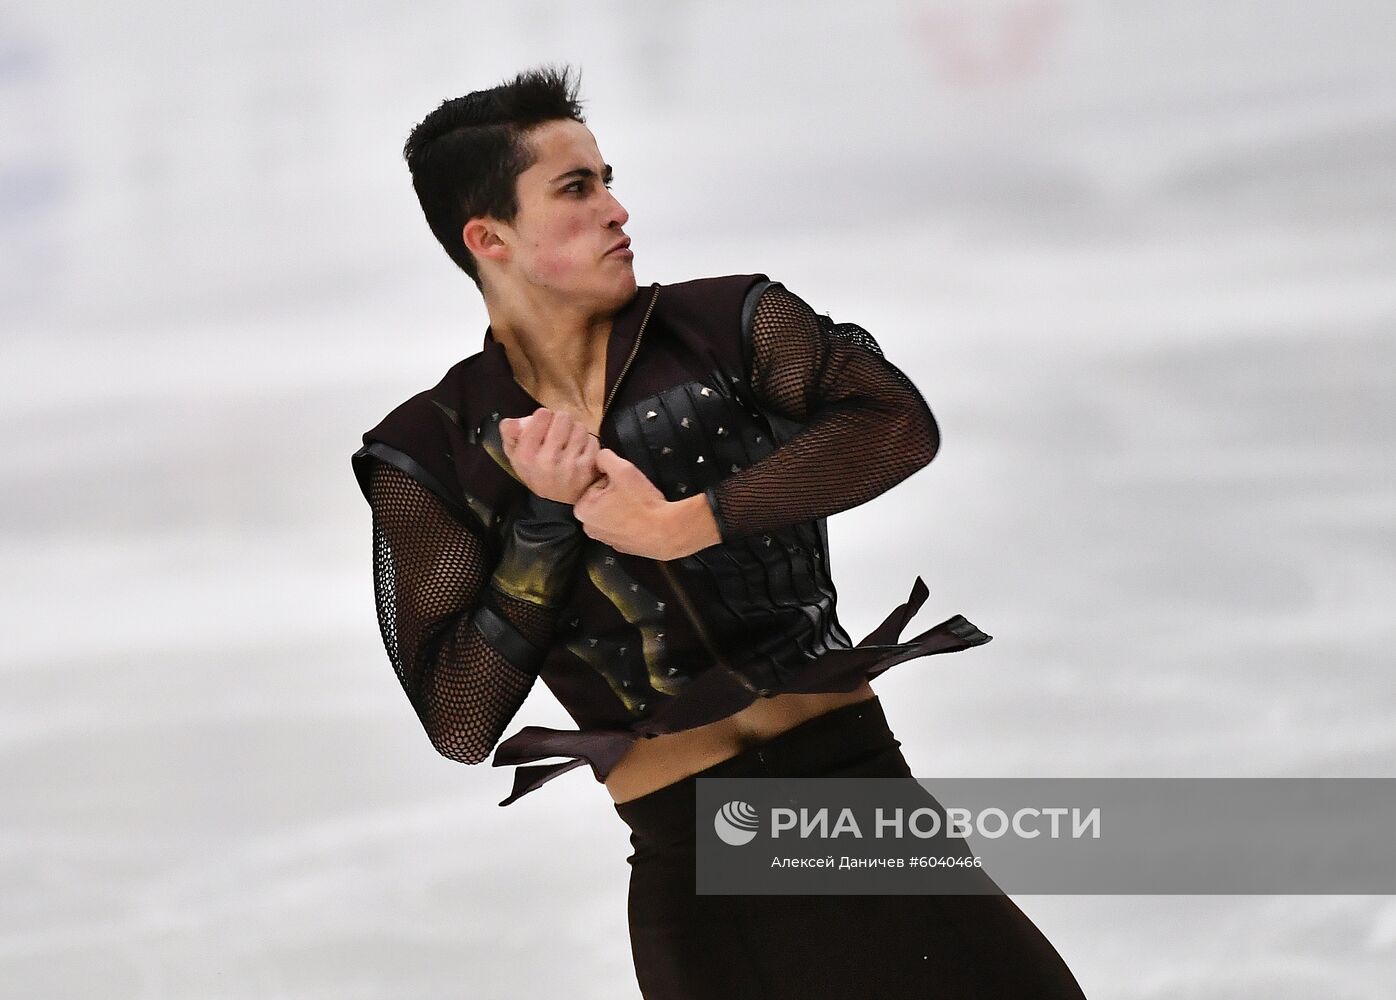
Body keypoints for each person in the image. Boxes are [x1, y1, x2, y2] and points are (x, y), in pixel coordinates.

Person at [351, 64, 1089, 998]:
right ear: (488, 236)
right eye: (577, 189)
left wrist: (685, 523)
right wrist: (543, 528)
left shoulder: (727, 325)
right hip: (696, 871)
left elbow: (897, 425)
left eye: (609, 178)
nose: (617, 209)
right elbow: (459, 716)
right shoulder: (434, 448)